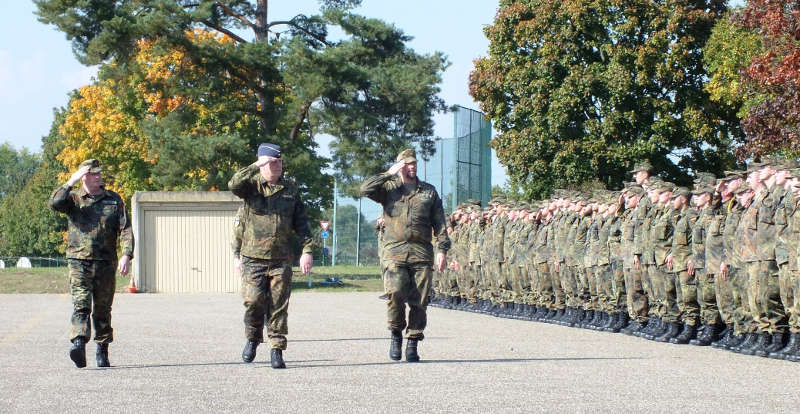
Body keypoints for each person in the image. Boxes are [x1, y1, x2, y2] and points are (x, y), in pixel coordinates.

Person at [360, 148, 451, 362]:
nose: (412, 166)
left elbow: (439, 222)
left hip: (421, 253)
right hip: (394, 252)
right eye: (407, 164)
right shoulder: (389, 188)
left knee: (420, 300)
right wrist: (388, 173)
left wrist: (442, 250)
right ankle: (395, 334)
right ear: (401, 166)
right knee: (396, 294)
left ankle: (413, 341)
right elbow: (365, 189)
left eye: (414, 163)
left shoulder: (428, 192)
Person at [229, 143, 313, 369]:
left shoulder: (290, 191)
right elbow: (234, 183)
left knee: (279, 306)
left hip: (280, 259)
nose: (277, 166)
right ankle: (253, 337)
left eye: (279, 162)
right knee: (253, 301)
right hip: (253, 258)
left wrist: (307, 251)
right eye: (272, 162)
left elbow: (302, 224)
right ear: (263, 164)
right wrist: (256, 164)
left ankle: (276, 349)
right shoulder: (251, 187)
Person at [49, 159, 133, 368]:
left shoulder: (113, 200)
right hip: (79, 261)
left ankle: (102, 350)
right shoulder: (73, 198)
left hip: (105, 262)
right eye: (93, 174)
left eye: (99, 173)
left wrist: (126, 255)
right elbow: (55, 203)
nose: (98, 177)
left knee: (103, 309)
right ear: (84, 176)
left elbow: (125, 229)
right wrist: (71, 181)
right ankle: (78, 342)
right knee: (81, 304)